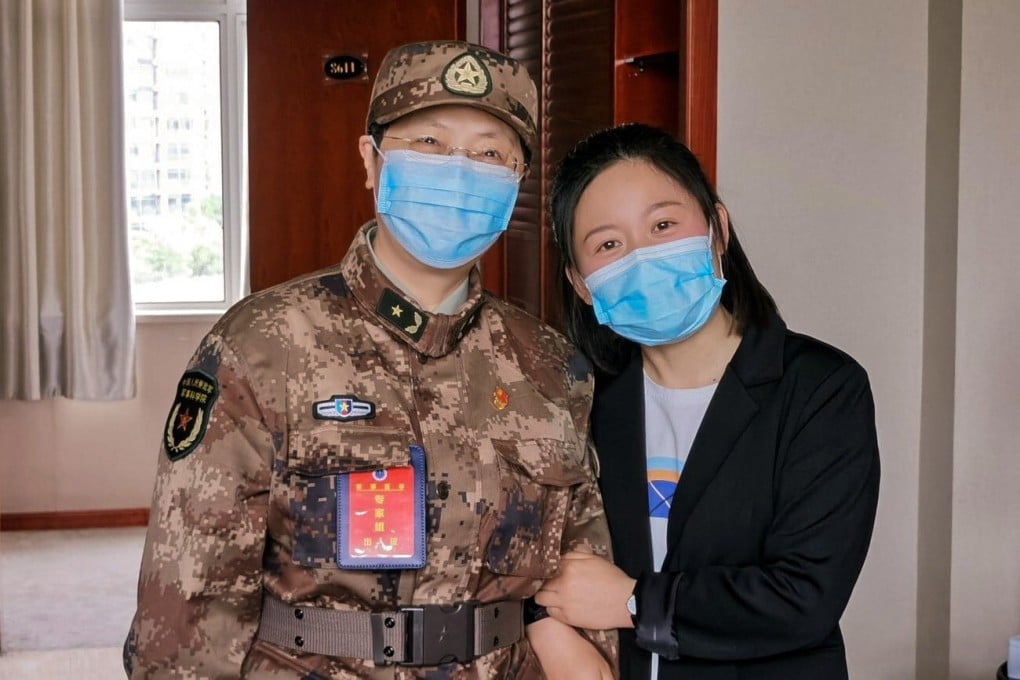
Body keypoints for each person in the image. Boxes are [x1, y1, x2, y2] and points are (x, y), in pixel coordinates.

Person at [124, 40, 616, 679]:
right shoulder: (262, 344)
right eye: (429, 144)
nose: (459, 170)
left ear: (516, 182)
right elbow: (189, 608)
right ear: (372, 161)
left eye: (490, 153)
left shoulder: (552, 366)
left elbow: (583, 571)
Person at [533, 123, 880, 679]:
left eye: (663, 224)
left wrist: (633, 602)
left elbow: (803, 598)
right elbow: (525, 551)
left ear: (717, 229)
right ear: (580, 283)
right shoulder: (576, 401)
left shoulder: (820, 390)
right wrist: (542, 622)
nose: (641, 257)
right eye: (608, 244)